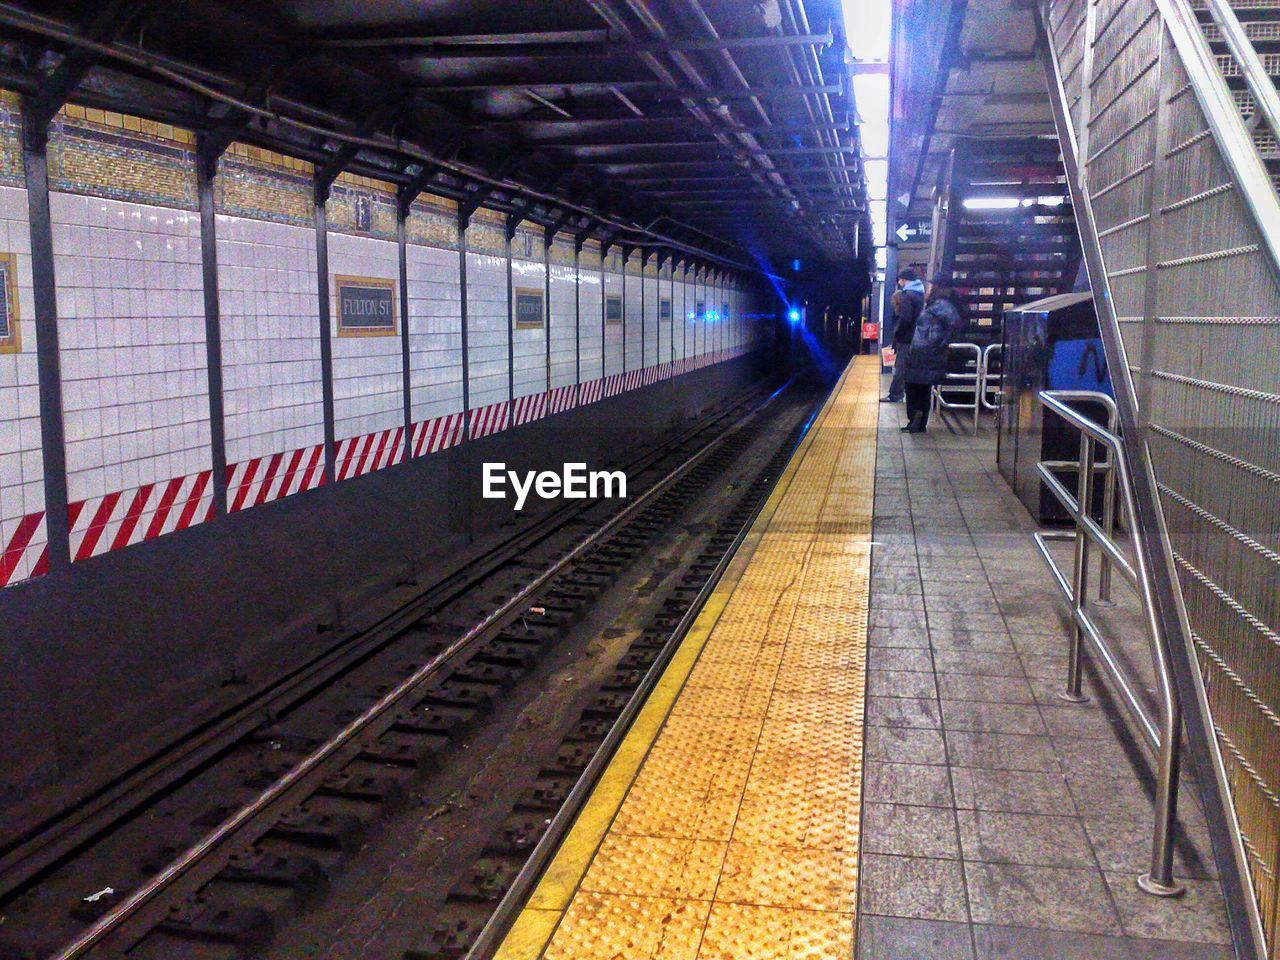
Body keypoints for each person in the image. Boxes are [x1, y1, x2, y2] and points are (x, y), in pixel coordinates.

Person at [901, 276, 967, 433]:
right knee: (922, 388)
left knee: (913, 386)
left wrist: (940, 343)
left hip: (926, 352)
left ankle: (915, 418)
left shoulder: (942, 305)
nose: (928, 288)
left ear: (938, 288)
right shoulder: (938, 305)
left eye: (931, 286)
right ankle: (918, 421)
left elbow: (955, 325)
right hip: (924, 351)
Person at [881, 268, 925, 402]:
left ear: (905, 280)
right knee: (910, 367)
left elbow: (905, 318)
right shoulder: (920, 294)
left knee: (900, 366)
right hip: (918, 336)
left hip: (906, 337)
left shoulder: (907, 295)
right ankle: (907, 393)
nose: (899, 282)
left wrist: (898, 334)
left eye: (900, 280)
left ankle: (896, 394)